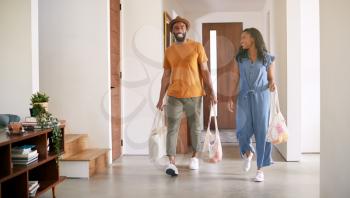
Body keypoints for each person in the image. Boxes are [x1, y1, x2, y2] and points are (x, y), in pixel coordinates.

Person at [156, 16, 217, 176]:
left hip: (195, 94)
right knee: (172, 129)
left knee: (196, 127)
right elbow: (166, 75)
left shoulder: (197, 46)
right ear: (173, 32)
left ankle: (195, 157)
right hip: (174, 94)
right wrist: (161, 97)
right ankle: (171, 162)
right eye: (176, 28)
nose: (179, 29)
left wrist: (211, 91)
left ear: (186, 29)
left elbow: (205, 71)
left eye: (182, 27)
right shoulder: (169, 51)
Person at [227, 27, 276, 182]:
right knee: (242, 130)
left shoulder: (267, 58)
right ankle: (248, 153)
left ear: (253, 39)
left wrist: (273, 84)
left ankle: (260, 169)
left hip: (262, 96)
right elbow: (235, 78)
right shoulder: (240, 58)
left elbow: (270, 78)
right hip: (244, 97)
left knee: (262, 132)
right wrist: (230, 97)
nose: (241, 41)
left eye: (244, 37)